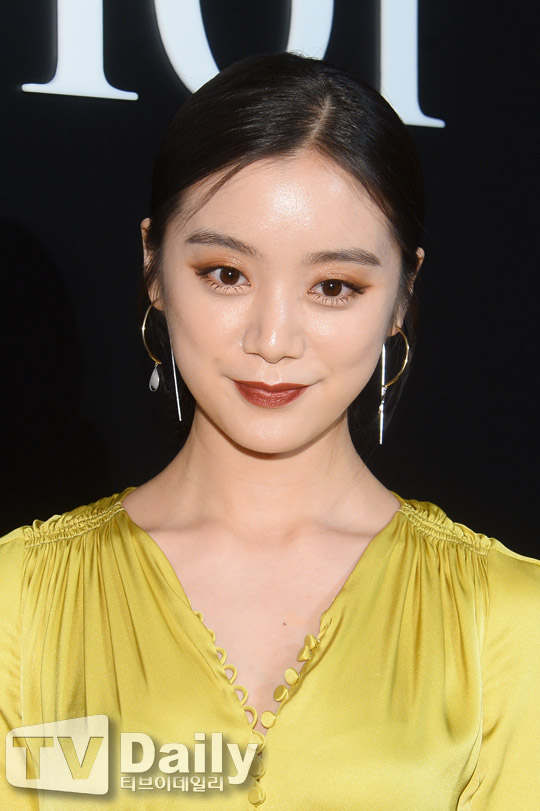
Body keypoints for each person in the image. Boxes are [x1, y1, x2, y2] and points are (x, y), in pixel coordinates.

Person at [1, 52, 539, 811]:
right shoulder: (21, 601)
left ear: (401, 295)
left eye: (334, 286)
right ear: (154, 264)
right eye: (226, 274)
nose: (274, 339)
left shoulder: (507, 619)